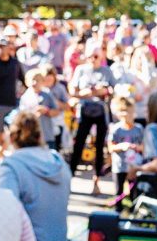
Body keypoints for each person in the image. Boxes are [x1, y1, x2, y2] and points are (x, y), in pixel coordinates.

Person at [0, 109, 70, 241]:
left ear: (12, 136)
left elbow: (0, 212)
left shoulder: (11, 167)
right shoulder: (58, 162)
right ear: (39, 135)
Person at [68, 43, 114, 196]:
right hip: (85, 111)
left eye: (96, 57)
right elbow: (73, 90)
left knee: (100, 147)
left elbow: (113, 89)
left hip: (101, 112)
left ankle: (97, 182)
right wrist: (86, 93)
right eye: (90, 57)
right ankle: (69, 179)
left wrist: (104, 91)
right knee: (78, 144)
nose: (93, 60)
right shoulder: (81, 70)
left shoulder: (106, 71)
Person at [0, 38, 24, 158]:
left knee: (12, 130)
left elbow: (23, 80)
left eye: (4, 46)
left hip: (12, 102)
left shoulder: (15, 64)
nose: (2, 50)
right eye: (0, 47)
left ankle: (4, 151)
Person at [107, 94, 144, 198]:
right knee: (118, 191)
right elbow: (111, 147)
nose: (126, 115)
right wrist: (122, 146)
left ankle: (132, 210)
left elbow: (144, 147)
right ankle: (118, 209)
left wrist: (135, 147)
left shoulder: (139, 129)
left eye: (129, 112)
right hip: (119, 166)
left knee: (134, 192)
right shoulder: (116, 129)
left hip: (134, 165)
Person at [19, 66, 63, 152]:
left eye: (37, 80)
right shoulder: (25, 97)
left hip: (47, 135)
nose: (34, 82)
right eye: (32, 79)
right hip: (31, 136)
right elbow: (22, 116)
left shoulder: (47, 94)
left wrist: (46, 111)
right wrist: (32, 114)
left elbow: (57, 111)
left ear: (42, 81)